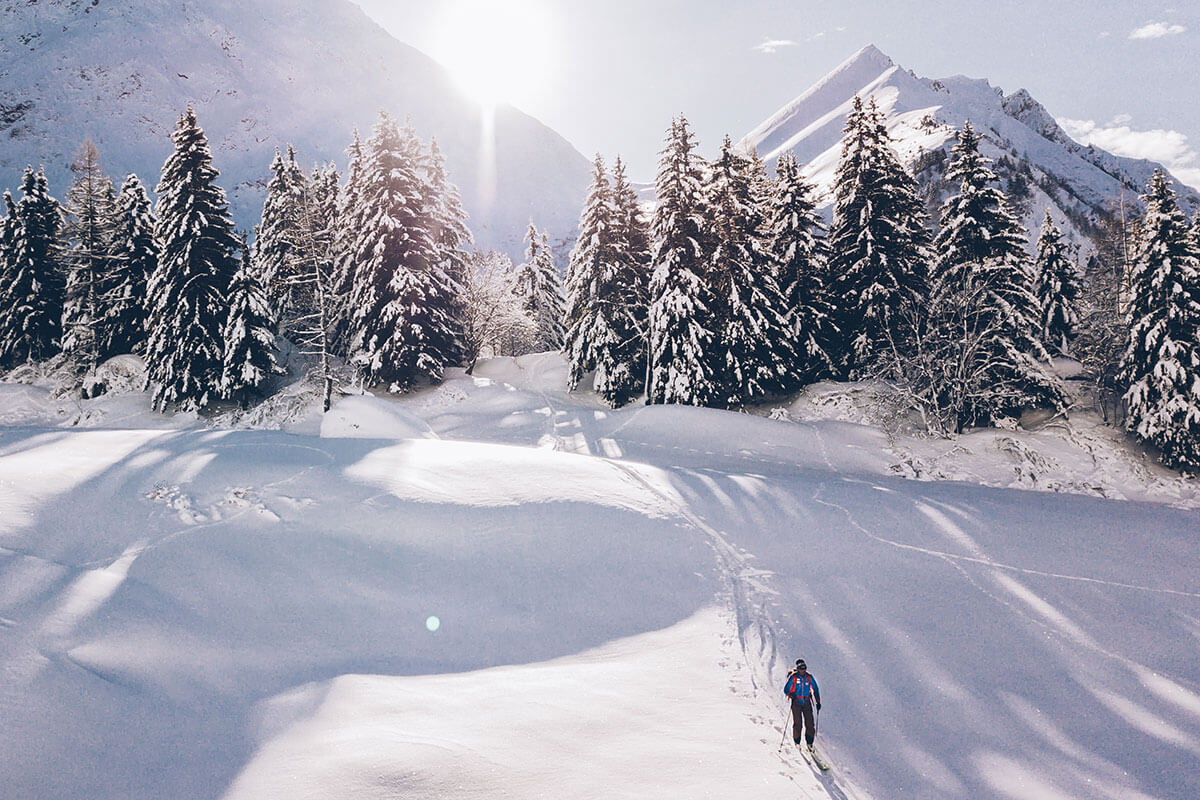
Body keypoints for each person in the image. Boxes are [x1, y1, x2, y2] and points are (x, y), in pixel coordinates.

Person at [784, 657, 821, 750]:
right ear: (797, 668)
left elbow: (815, 689)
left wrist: (818, 701)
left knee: (810, 723)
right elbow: (786, 689)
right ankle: (797, 742)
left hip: (807, 702)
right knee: (798, 723)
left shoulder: (809, 677)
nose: (803, 670)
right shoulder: (794, 677)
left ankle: (809, 743)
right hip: (796, 702)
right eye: (801, 668)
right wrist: (791, 695)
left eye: (804, 668)